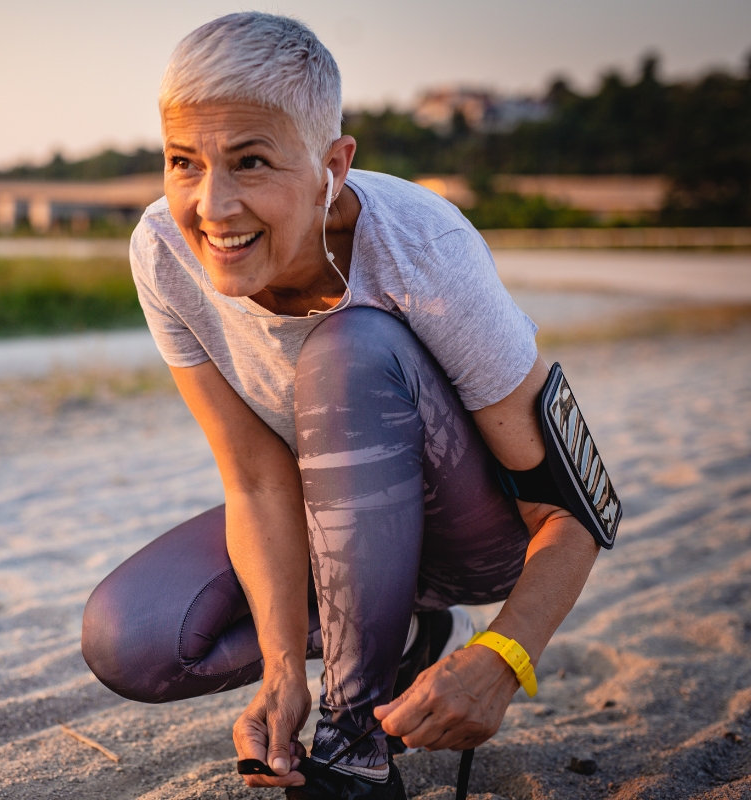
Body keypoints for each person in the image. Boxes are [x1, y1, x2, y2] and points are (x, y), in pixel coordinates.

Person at [81, 12, 608, 799]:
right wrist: (283, 670)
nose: (212, 207)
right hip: (329, 532)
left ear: (333, 165)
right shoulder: (162, 251)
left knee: (348, 349)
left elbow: (576, 517)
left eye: (251, 162)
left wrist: (504, 658)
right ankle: (410, 640)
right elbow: (257, 483)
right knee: (135, 638)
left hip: (474, 537)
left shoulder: (422, 248)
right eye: (183, 162)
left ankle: (353, 745)